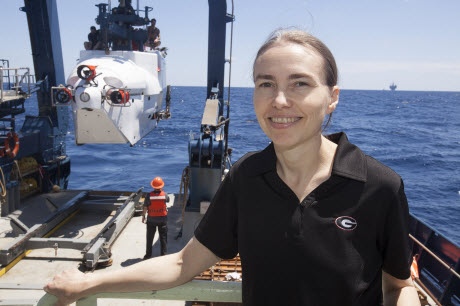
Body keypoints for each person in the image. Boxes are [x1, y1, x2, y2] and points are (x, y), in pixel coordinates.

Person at [44, 29, 421, 306]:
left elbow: (399, 287)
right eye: (265, 84)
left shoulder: (378, 185)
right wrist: (88, 283)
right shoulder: (247, 178)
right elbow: (181, 264)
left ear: (332, 97)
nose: (280, 101)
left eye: (300, 83)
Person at [142, 177, 169, 259]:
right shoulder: (165, 195)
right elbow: (167, 201)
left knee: (149, 239)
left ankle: (148, 255)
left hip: (151, 220)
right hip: (163, 220)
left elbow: (145, 207)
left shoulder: (148, 196)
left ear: (153, 186)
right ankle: (163, 256)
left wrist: (143, 216)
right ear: (161, 186)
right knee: (163, 239)